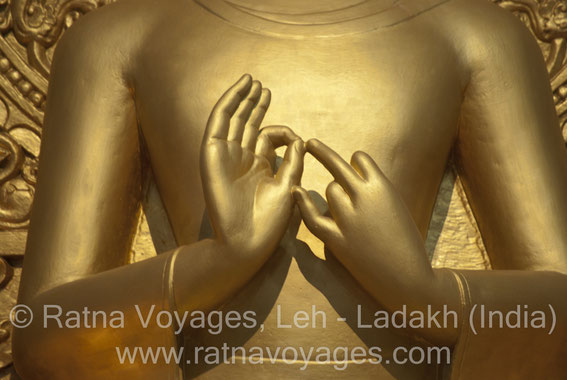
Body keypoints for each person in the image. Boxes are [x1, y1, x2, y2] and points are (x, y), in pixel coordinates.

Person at [12, 0, 567, 378]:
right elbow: (40, 337)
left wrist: (426, 295)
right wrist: (215, 264)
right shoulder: (119, 37)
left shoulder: (475, 35)